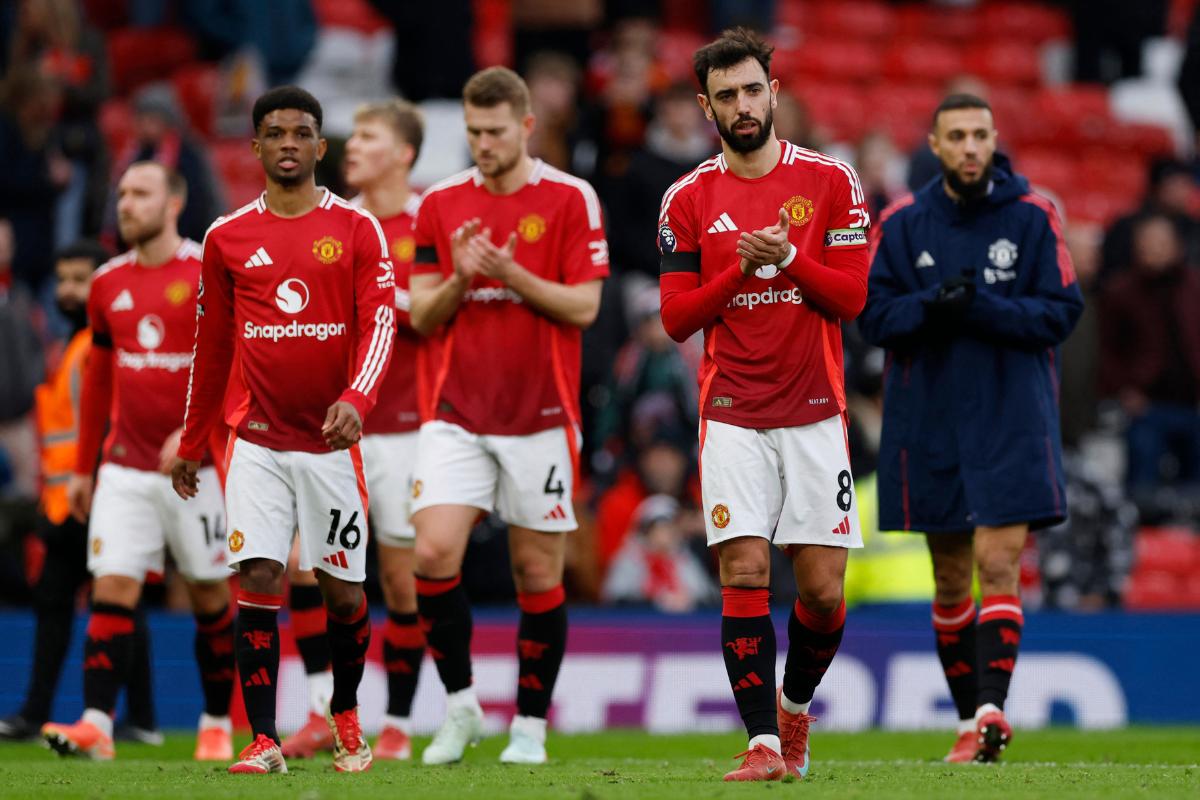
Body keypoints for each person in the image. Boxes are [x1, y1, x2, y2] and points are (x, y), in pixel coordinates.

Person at [658, 27, 871, 782]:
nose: (742, 106)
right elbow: (677, 317)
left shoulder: (833, 181)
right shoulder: (687, 197)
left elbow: (850, 297)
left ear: (774, 93)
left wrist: (786, 257)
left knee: (820, 589)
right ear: (705, 106)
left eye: (753, 91)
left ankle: (794, 707)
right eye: (726, 97)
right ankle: (761, 745)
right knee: (744, 571)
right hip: (733, 412)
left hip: (815, 408)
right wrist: (739, 272)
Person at [171, 86, 395, 775]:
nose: (289, 143)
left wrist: (358, 396)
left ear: (321, 147)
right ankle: (264, 738)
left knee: (343, 592)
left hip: (330, 443)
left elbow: (380, 323)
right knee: (259, 573)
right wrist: (190, 441)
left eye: (302, 132)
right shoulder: (227, 236)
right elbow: (210, 349)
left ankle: (347, 712)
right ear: (257, 147)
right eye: (276, 133)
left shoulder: (358, 229)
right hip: (257, 439)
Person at [859, 93, 1083, 764]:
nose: (969, 147)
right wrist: (933, 303)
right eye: (955, 135)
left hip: (1013, 414)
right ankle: (968, 721)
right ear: (933, 144)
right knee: (952, 578)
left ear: (994, 139)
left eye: (980, 134)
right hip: (930, 418)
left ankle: (991, 711)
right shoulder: (901, 224)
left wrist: (980, 306)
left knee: (999, 563)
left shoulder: (1034, 215)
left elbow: (1060, 314)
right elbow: (871, 317)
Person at [408, 66, 607, 765]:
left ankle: (529, 725)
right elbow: (420, 315)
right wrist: (464, 276)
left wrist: (510, 273)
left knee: (535, 572)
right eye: (472, 132)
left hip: (540, 414)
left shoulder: (570, 199)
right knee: (430, 553)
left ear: (525, 127)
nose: (482, 144)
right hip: (456, 412)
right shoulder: (438, 203)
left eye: (494, 131)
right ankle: (460, 707)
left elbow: (585, 306)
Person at [40, 164, 236, 762]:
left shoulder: (209, 270)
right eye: (121, 193)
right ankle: (98, 723)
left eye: (140, 193)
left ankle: (216, 722)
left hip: (195, 470)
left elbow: (238, 364)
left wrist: (197, 433)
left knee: (207, 595)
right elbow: (99, 378)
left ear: (174, 201)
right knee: (113, 584)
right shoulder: (106, 284)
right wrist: (82, 468)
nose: (126, 204)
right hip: (124, 465)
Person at [279, 98, 430, 762]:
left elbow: (437, 314)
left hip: (409, 425)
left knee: (399, 582)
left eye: (369, 136)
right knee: (304, 567)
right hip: (338, 428)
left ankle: (397, 722)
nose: (353, 146)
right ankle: (322, 708)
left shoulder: (430, 219)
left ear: (403, 153)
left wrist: (382, 294)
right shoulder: (329, 220)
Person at [0, 240, 158, 743]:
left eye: (79, 280)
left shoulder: (95, 346)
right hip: (69, 494)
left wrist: (83, 487)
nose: (68, 290)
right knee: (104, 601)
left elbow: (105, 423)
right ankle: (141, 718)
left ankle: (44, 711)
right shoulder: (72, 344)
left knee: (83, 600)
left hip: (90, 494)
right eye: (63, 279)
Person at [1099, 212, 1200, 497]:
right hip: (1146, 406)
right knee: (1144, 488)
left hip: (1192, 403)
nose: (1153, 249)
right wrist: (1124, 391)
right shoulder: (1119, 291)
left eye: (1160, 241)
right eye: (1146, 242)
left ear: (1177, 245)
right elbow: (1106, 350)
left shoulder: (1194, 287)